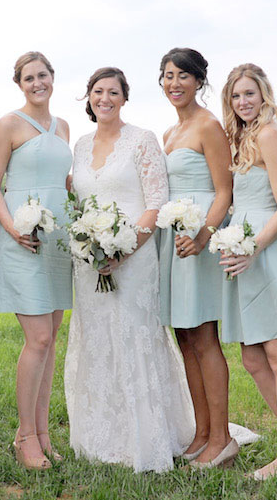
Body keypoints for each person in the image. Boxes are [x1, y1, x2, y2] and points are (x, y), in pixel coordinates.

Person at [65, 67, 195, 473]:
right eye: (98, 91)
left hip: (135, 260)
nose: (105, 98)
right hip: (90, 264)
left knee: (135, 335)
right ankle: (100, 435)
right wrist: (92, 246)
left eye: (113, 92)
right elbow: (78, 201)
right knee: (97, 338)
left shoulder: (142, 141)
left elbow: (156, 202)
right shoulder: (81, 145)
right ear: (88, 97)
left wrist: (123, 250)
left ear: (124, 98)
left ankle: (147, 437)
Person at [218, 63, 277, 480]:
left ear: (264, 95)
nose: (243, 102)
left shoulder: (270, 134)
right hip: (242, 250)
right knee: (252, 357)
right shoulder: (239, 137)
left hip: (268, 251)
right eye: (236, 95)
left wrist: (254, 249)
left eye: (250, 94)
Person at [0, 52, 72, 470]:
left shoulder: (65, 127)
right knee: (37, 338)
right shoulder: (8, 125)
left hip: (57, 239)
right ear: (19, 83)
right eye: (29, 78)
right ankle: (24, 436)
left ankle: (42, 433)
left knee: (51, 339)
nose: (37, 83)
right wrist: (12, 228)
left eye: (43, 76)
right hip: (23, 239)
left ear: (53, 79)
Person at [155, 48, 238, 468]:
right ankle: (201, 432)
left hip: (200, 239)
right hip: (174, 241)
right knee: (184, 338)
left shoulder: (208, 126)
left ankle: (222, 438)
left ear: (199, 81)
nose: (174, 83)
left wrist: (204, 235)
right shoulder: (169, 133)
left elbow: (224, 190)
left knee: (204, 336)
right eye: (168, 76)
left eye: (183, 76)